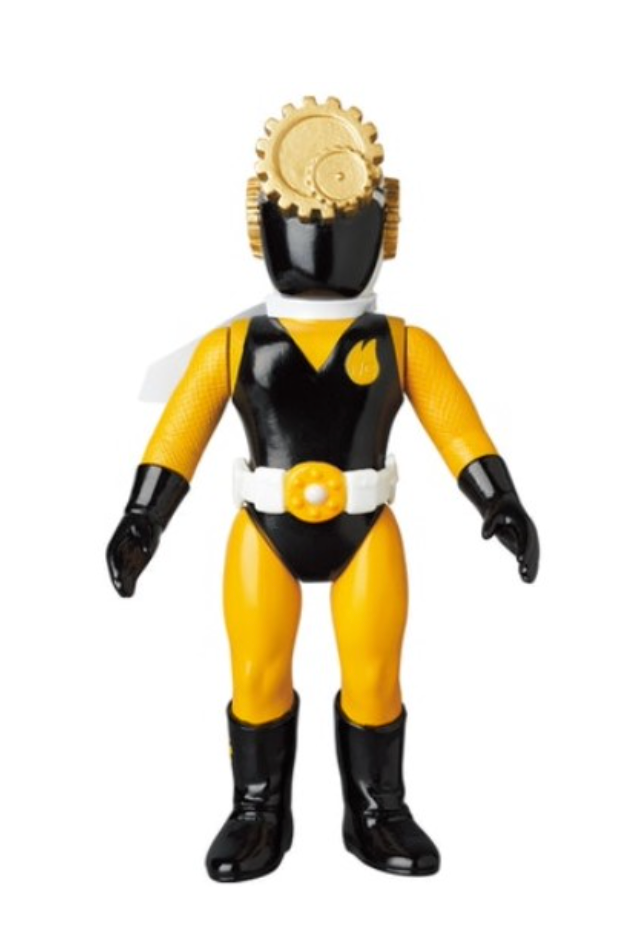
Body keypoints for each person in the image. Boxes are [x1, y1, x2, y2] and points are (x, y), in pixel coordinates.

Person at [107, 96, 539, 882]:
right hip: (264, 530)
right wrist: (144, 518)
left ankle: (376, 810)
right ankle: (256, 812)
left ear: (386, 226)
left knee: (374, 675)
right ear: (259, 225)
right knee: (256, 674)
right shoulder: (232, 345)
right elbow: (179, 436)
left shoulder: (404, 344)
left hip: (365, 530)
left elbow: (460, 431)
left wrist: (497, 500)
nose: (321, 240)